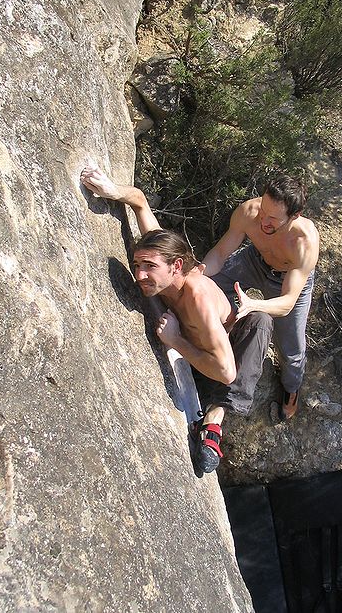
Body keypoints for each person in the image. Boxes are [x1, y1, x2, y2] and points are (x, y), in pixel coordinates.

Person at [80, 165, 272, 473]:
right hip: (199, 356)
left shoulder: (196, 297)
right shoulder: (162, 259)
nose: (140, 274)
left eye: (149, 267)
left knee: (261, 320)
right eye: (136, 264)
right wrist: (113, 191)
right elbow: (140, 201)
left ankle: (213, 423)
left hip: (218, 362)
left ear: (175, 266)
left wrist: (176, 340)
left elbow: (226, 372)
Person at [200, 172, 319, 430]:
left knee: (291, 349)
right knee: (209, 282)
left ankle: (291, 391)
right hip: (255, 260)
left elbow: (287, 302)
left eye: (273, 218)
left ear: (294, 216)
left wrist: (254, 305)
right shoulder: (249, 212)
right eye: (263, 210)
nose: (263, 219)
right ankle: (213, 332)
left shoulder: (304, 242)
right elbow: (220, 254)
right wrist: (199, 271)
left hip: (286, 280)